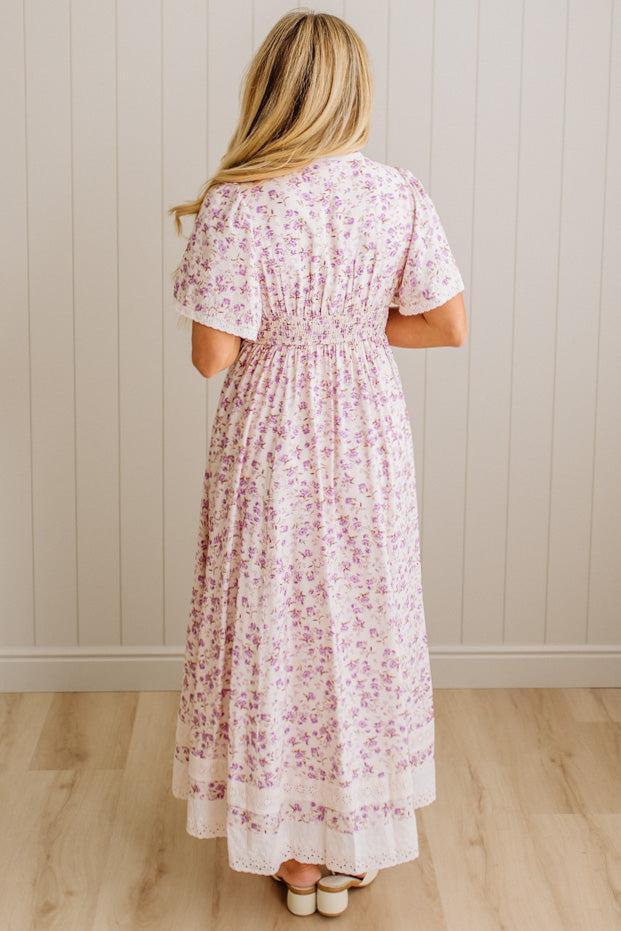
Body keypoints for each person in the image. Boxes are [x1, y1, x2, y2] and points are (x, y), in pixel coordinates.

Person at [168, 8, 467, 919]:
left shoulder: (241, 201)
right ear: (354, 92)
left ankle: (294, 858)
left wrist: (291, 324)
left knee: (275, 622)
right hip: (366, 429)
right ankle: (348, 846)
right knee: (362, 623)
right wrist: (350, 325)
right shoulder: (396, 193)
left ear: (269, 90)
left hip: (272, 435)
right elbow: (447, 323)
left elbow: (213, 356)